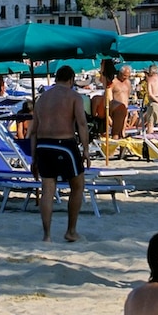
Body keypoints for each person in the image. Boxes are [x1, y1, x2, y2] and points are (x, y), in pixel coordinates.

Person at [28, 65, 91, 242]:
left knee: (47, 190)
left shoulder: (41, 99)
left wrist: (33, 158)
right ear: (71, 80)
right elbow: (82, 124)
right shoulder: (73, 96)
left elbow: (33, 131)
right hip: (64, 144)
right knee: (77, 186)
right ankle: (71, 230)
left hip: (43, 145)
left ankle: (47, 235)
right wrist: (85, 150)